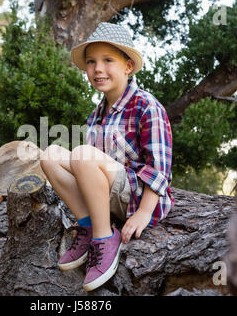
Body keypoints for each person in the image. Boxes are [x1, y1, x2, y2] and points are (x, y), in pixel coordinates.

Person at [40, 22, 174, 292]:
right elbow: (90, 169)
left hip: (139, 199)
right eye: (91, 62)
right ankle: (89, 225)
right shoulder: (96, 115)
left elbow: (160, 168)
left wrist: (145, 213)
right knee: (50, 155)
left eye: (108, 60)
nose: (97, 69)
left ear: (128, 66)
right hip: (108, 197)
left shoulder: (146, 105)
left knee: (81, 154)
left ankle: (104, 238)